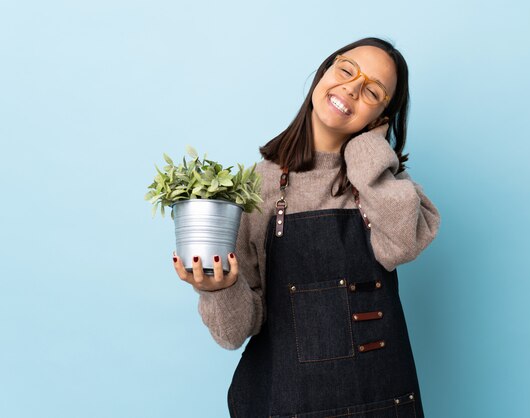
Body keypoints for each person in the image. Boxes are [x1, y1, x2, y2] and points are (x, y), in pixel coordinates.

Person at [172, 37, 441, 417]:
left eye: (372, 92)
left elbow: (399, 246)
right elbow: (234, 333)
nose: (351, 87)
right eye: (347, 70)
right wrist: (219, 290)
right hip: (287, 403)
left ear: (381, 118)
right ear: (325, 72)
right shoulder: (255, 187)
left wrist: (366, 153)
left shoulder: (387, 186)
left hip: (380, 402)